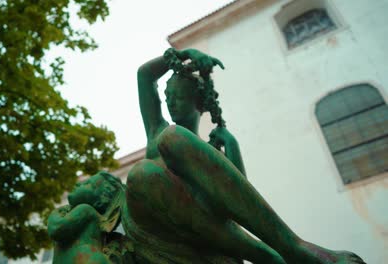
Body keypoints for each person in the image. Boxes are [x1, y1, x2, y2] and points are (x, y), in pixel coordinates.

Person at [124, 48, 365, 264]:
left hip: (205, 229)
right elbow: (144, 76)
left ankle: (280, 251)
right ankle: (288, 248)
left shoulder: (211, 153)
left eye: (178, 96)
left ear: (198, 103)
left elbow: (235, 211)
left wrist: (233, 148)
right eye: (168, 97)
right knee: (147, 168)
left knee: (170, 142)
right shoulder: (157, 129)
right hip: (154, 223)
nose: (170, 102)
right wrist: (183, 53)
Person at [47, 171, 125, 264]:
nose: (78, 183)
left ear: (100, 202)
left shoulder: (85, 210)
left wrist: (56, 213)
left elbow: (56, 228)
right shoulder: (97, 219)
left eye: (87, 184)